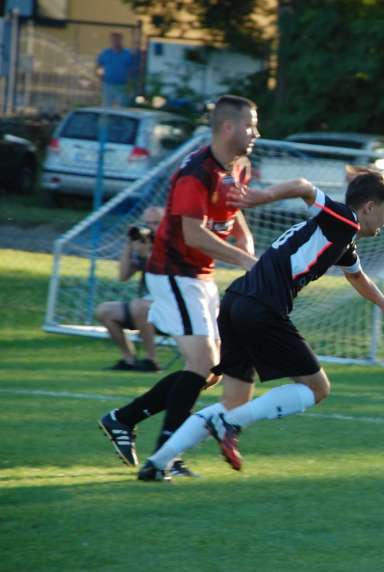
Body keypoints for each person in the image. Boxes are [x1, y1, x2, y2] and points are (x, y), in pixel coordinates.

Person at [136, 168, 384, 481]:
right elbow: (303, 186)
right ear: (369, 208)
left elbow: (356, 275)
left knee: (233, 401)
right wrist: (261, 197)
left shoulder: (341, 237)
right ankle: (229, 425)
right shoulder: (343, 218)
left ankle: (158, 463)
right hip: (262, 309)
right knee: (317, 388)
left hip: (236, 301)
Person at [98, 95, 260, 477]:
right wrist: (242, 260)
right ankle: (166, 453)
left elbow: (234, 219)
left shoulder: (239, 167)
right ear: (228, 127)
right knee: (201, 363)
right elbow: (193, 233)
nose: (257, 133)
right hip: (172, 271)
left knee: (212, 370)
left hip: (199, 276)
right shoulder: (195, 172)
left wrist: (247, 250)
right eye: (251, 125)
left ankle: (124, 418)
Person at [95, 206, 164, 372]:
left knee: (140, 306)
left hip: (171, 307)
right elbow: (123, 276)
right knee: (104, 310)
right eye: (147, 223)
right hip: (146, 306)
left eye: (156, 223)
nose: (151, 227)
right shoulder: (144, 245)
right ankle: (129, 359)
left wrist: (147, 254)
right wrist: (130, 244)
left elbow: (163, 271)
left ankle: (151, 360)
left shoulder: (174, 245)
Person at [96, 33, 136, 107]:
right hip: (107, 84)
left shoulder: (127, 53)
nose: (115, 41)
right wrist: (101, 77)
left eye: (117, 39)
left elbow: (132, 69)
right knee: (106, 106)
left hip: (122, 85)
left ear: (121, 40)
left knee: (122, 106)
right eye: (113, 40)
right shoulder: (105, 53)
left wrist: (130, 83)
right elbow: (100, 67)